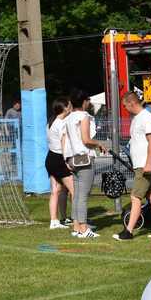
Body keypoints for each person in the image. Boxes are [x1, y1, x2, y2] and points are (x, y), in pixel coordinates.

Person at [114, 91, 151, 241]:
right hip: (139, 164)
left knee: (135, 197)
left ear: (132, 103)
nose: (125, 108)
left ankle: (128, 231)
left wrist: (148, 163)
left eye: (125, 105)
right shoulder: (136, 118)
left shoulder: (146, 117)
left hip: (145, 165)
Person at [64, 89, 105, 239]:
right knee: (83, 195)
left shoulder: (68, 118)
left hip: (72, 159)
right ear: (84, 101)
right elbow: (86, 139)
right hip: (84, 158)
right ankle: (83, 228)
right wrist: (99, 144)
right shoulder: (84, 116)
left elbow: (66, 141)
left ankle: (76, 227)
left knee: (76, 195)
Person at [44, 97, 74, 230]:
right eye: (69, 105)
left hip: (50, 158)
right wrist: (67, 161)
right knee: (75, 190)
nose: (71, 107)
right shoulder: (61, 124)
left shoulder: (51, 122)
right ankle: (79, 220)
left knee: (55, 190)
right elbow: (63, 145)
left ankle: (54, 221)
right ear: (65, 108)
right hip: (58, 159)